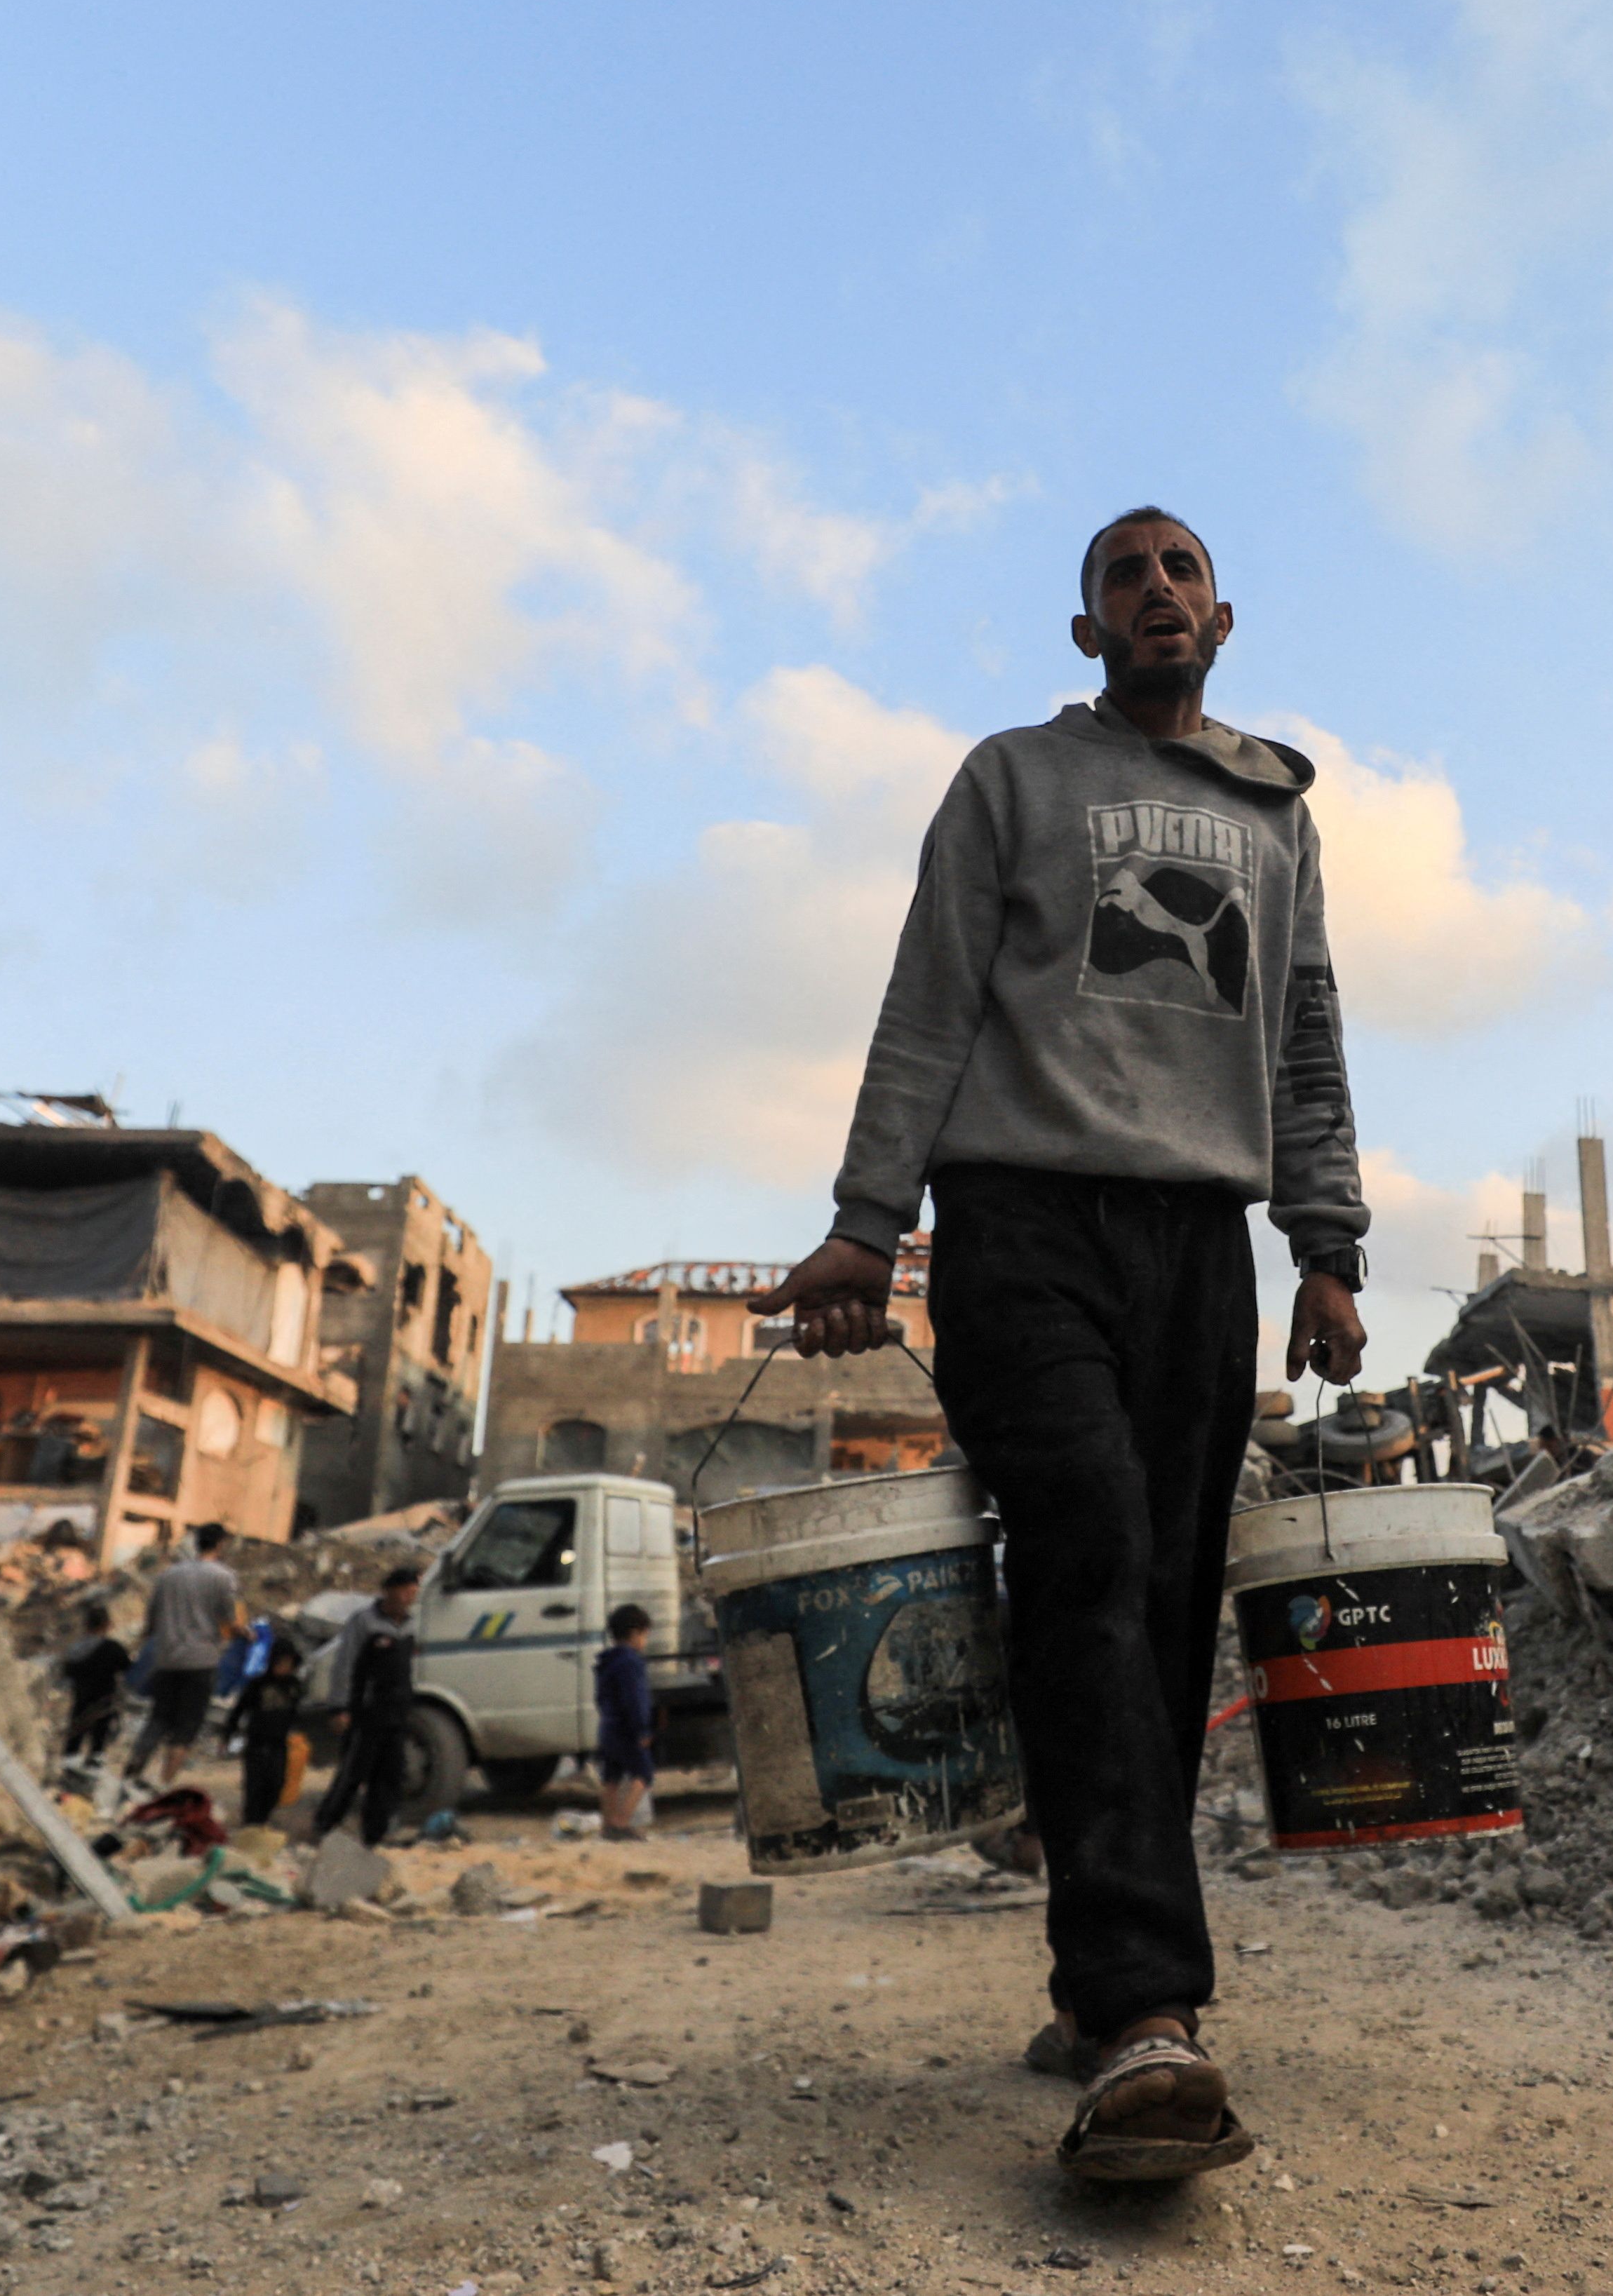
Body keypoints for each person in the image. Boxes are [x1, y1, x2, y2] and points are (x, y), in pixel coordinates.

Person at [748, 507, 1368, 2184]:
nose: (1153, 591)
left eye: (1177, 570)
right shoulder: (1011, 780)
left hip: (1197, 1240)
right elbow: (929, 999)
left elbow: (1302, 1033)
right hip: (1015, 1220)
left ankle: (1097, 1991)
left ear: (1222, 613)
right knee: (1087, 1529)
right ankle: (1150, 2004)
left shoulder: (1275, 810)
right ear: (1084, 628)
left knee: (1163, 1592)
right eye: (1122, 576)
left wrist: (1325, 1244)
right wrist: (867, 1222)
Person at [312, 1565, 425, 1847]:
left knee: (390, 1774)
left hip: (396, 1713)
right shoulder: (364, 1622)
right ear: (390, 1591)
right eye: (406, 1590)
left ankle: (374, 1834)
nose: (410, 1596)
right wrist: (340, 1708)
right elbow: (345, 1665)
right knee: (354, 1772)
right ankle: (326, 1825)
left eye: (414, 1591)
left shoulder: (411, 1625)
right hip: (367, 1712)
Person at [130, 1522, 239, 1786]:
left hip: (167, 1659)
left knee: (158, 1718)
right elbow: (229, 1620)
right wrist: (245, 1634)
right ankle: (163, 1784)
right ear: (221, 1544)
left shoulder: (168, 1575)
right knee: (186, 1728)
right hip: (201, 1661)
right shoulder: (223, 1577)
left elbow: (151, 1622)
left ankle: (130, 1775)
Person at [229, 1635, 309, 1831]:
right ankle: (251, 1826)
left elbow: (297, 1714)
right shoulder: (258, 1685)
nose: (284, 1667)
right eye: (281, 1663)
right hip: (256, 1744)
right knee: (254, 1787)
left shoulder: (294, 1686)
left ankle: (262, 1821)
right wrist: (227, 1734)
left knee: (276, 1785)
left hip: (279, 1744)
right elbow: (239, 1710)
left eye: (288, 1663)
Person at [593, 1604, 656, 1839]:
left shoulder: (606, 1661)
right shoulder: (631, 1663)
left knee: (611, 1777)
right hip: (626, 1729)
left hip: (608, 1726)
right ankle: (621, 1824)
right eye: (645, 1635)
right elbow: (636, 1699)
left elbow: (599, 1697)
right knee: (643, 1772)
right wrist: (642, 1729)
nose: (645, 1641)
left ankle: (607, 1825)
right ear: (635, 1633)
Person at [53, 1608, 130, 1768]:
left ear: (86, 1625)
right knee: (100, 1733)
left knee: (77, 1728)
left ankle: (69, 1762)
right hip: (105, 1699)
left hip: (81, 1696)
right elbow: (128, 1669)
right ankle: (94, 1762)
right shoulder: (113, 1648)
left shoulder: (75, 1649)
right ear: (107, 1625)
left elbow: (66, 1674)